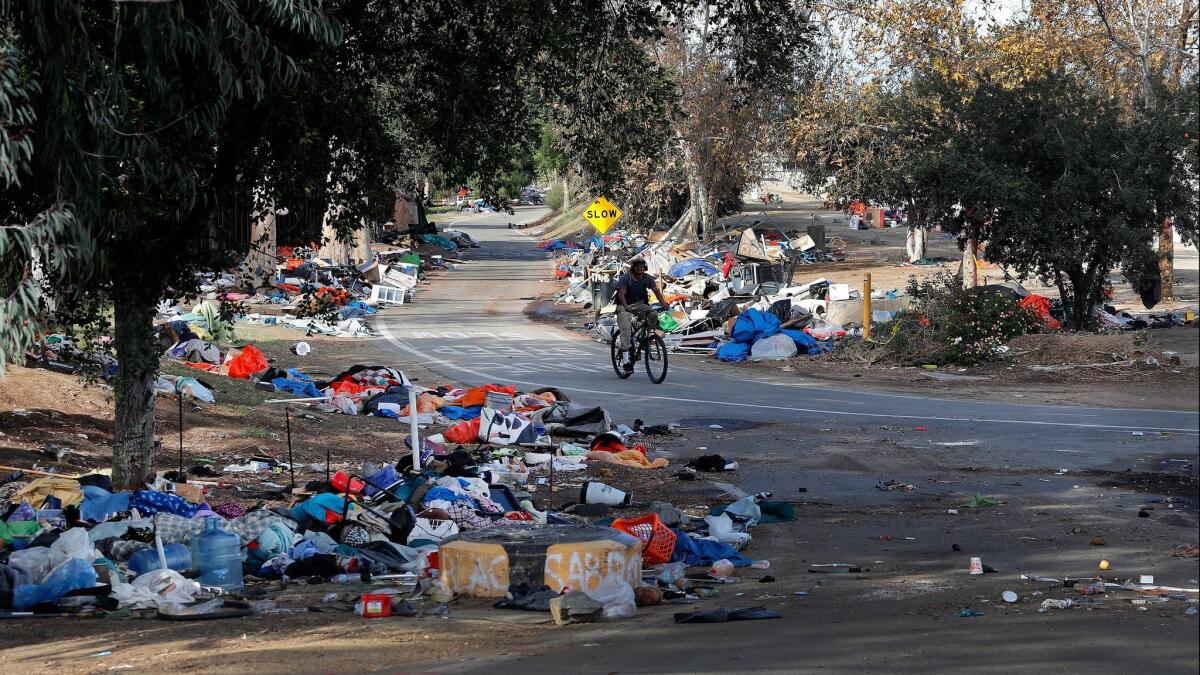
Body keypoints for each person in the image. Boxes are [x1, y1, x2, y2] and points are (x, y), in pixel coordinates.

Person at [613, 259, 662, 368]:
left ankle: (643, 337)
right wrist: (626, 306)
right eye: (637, 266)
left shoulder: (647, 278)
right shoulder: (627, 278)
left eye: (642, 266)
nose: (639, 268)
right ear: (633, 268)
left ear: (645, 268)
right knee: (625, 328)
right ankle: (626, 361)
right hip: (624, 306)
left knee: (653, 314)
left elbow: (656, 291)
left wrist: (663, 303)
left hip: (640, 304)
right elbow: (621, 294)